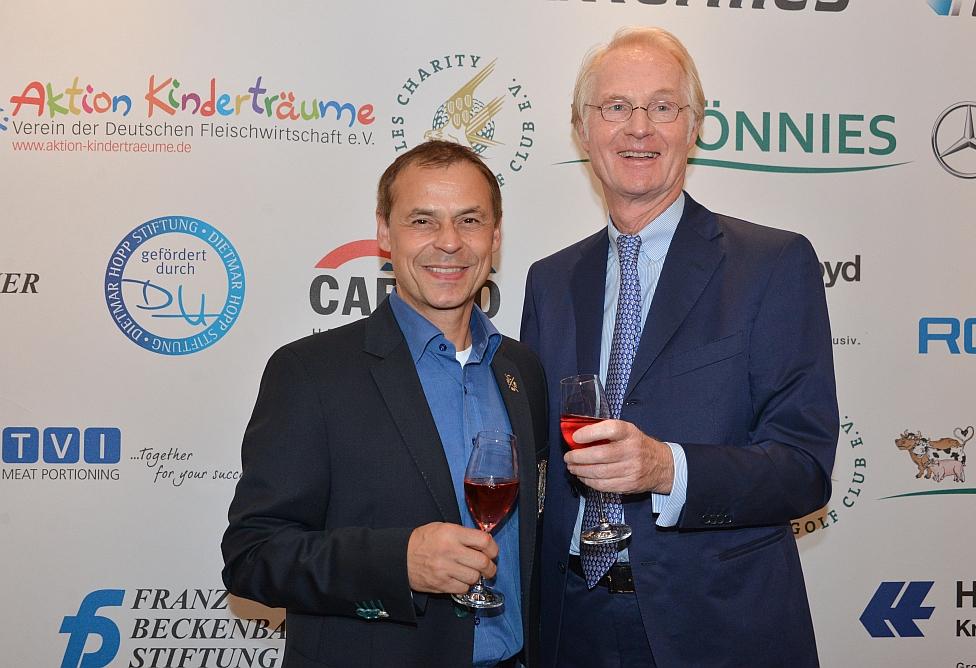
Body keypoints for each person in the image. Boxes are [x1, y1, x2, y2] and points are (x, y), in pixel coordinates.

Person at [520, 27, 838, 667]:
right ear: (583, 129)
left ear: (694, 127)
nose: (639, 127)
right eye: (616, 106)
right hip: (569, 625)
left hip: (715, 628)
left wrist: (669, 470)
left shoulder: (772, 264)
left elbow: (804, 468)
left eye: (663, 107)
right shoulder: (549, 281)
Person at [223, 140, 547, 668]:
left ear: (495, 236)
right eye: (422, 221)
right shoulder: (311, 372)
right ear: (384, 234)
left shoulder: (523, 370)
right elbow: (253, 555)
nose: (449, 242)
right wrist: (400, 563)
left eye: (469, 220)